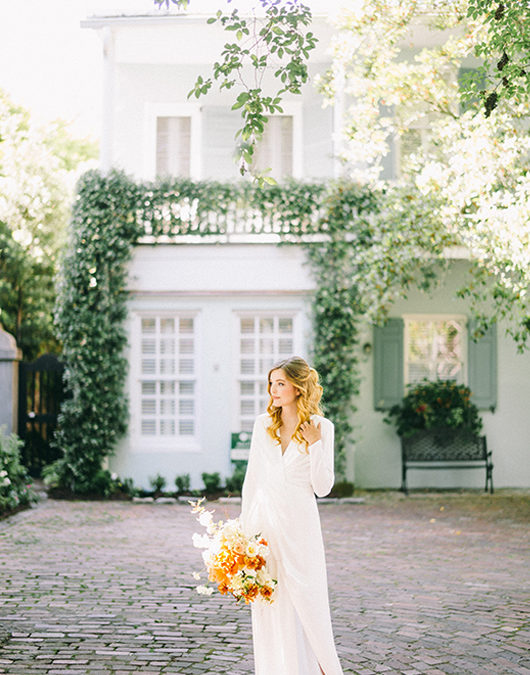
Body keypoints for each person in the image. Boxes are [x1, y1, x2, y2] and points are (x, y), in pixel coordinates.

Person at [241, 356, 344, 675]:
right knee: (270, 602)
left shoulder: (321, 428)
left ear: (298, 388)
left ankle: (322, 669)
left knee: (307, 602)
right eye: (271, 383)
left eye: (280, 383)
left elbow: (323, 486)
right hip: (265, 526)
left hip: (301, 528)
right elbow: (252, 480)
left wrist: (314, 445)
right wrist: (245, 535)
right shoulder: (263, 425)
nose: (273, 389)